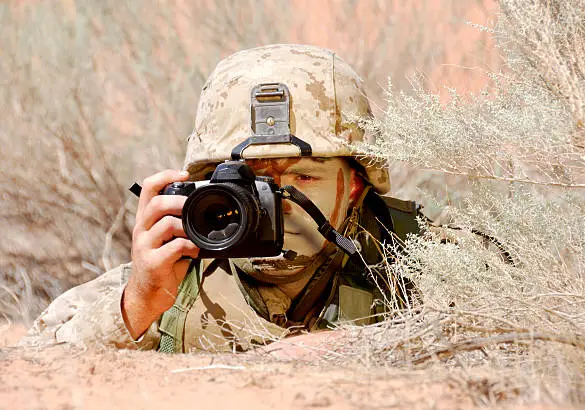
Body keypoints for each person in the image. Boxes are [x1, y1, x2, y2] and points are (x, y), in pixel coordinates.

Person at [21, 44, 415, 354]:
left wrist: (359, 346)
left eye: (304, 177)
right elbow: (32, 366)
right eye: (252, 182)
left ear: (356, 187)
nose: (276, 204)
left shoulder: (421, 259)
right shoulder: (169, 280)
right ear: (206, 184)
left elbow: (476, 321)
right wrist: (137, 306)